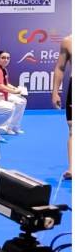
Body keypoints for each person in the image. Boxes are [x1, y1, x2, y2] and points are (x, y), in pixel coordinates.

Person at [0, 51, 27, 134]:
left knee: (22, 101)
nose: (6, 60)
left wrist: (16, 89)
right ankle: (7, 127)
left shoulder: (3, 69)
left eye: (8, 58)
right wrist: (15, 92)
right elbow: (0, 86)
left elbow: (6, 84)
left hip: (2, 92)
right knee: (20, 102)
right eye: (3, 58)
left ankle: (14, 127)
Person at [52, 35, 72, 180]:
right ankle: (72, 168)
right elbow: (60, 67)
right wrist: (55, 92)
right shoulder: (68, 41)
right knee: (73, 129)